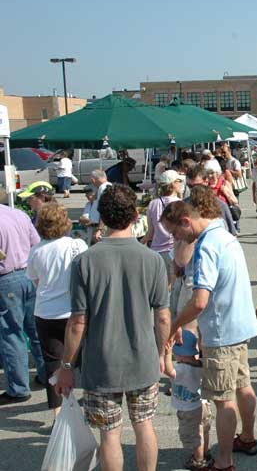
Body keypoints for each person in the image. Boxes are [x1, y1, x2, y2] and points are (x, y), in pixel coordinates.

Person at [54, 184, 170, 471]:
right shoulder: (152, 259)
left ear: (102, 217)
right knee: (144, 426)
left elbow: (78, 321)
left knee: (109, 434)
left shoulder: (84, 262)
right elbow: (163, 317)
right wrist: (163, 352)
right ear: (134, 216)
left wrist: (66, 364)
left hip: (101, 364)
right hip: (142, 360)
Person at [162, 197, 257, 471]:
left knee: (222, 399)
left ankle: (224, 461)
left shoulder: (206, 245)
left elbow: (199, 301)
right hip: (240, 324)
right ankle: (248, 438)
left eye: (175, 233)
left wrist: (174, 325)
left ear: (186, 221)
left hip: (222, 332)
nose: (177, 239)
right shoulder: (226, 236)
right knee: (242, 384)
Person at [27, 202, 88, 418]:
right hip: (74, 310)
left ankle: (58, 415)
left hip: (46, 312)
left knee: (53, 363)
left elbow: (35, 280)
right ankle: (88, 405)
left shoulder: (36, 251)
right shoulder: (77, 245)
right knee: (83, 361)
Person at [0, 196, 46, 405]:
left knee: (11, 333)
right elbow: (36, 244)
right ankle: (46, 374)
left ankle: (18, 387)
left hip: (7, 278)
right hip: (28, 274)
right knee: (35, 330)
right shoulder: (19, 215)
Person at [164, 329, 214, 471]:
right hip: (204, 405)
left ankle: (198, 460)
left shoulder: (181, 369)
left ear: (177, 352)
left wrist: (166, 354)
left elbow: (168, 371)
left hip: (188, 409)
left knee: (193, 435)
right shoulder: (201, 364)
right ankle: (206, 452)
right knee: (204, 430)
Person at [140, 170, 185, 287]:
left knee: (160, 287)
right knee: (173, 287)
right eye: (179, 181)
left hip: (156, 250)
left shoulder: (153, 203)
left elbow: (150, 232)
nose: (181, 183)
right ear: (172, 184)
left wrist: (141, 244)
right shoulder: (179, 204)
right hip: (173, 249)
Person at [184, 165, 237, 236]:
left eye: (196, 186)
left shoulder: (219, 205)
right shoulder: (183, 205)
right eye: (190, 186)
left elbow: (232, 234)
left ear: (206, 182)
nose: (193, 190)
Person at [87, 169, 112, 244]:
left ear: (93, 180)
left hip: (100, 226)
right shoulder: (105, 187)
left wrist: (100, 229)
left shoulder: (104, 188)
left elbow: (104, 209)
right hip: (99, 224)